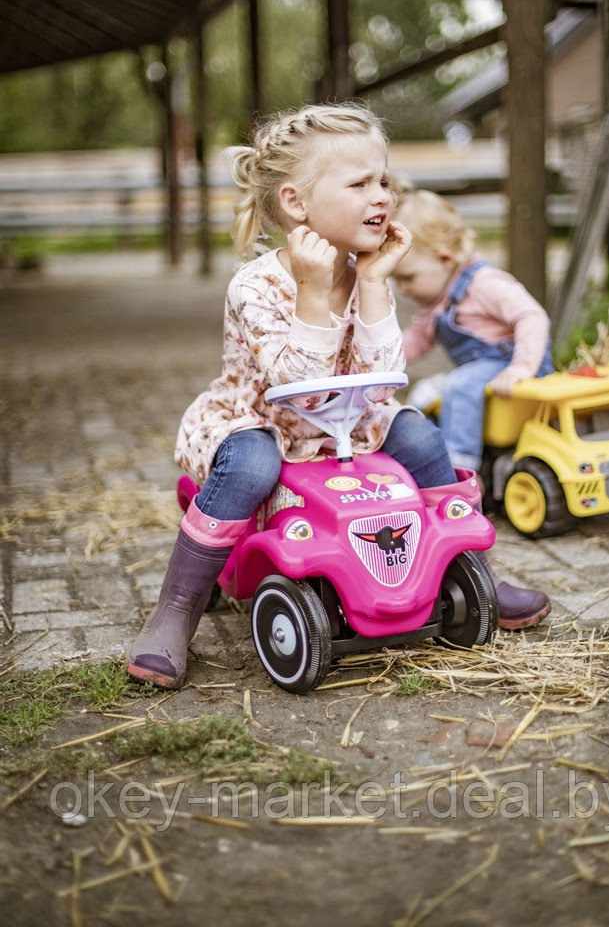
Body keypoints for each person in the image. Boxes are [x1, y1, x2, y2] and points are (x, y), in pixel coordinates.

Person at [128, 105, 548, 690]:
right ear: (298, 203)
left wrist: (374, 286)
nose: (382, 197)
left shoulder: (368, 272)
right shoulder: (257, 285)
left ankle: (472, 565)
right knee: (251, 464)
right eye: (360, 184)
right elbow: (296, 380)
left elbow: (381, 383)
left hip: (351, 418)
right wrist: (311, 291)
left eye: (384, 182)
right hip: (268, 419)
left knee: (420, 435)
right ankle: (176, 609)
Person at [393, 189, 554, 471]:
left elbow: (532, 316)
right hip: (482, 374)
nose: (403, 289)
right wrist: (381, 363)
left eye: (408, 278)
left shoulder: (485, 284)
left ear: (444, 259)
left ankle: (461, 466)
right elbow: (416, 339)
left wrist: (521, 367)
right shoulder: (436, 302)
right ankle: (424, 456)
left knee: (460, 384)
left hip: (514, 367)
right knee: (424, 393)